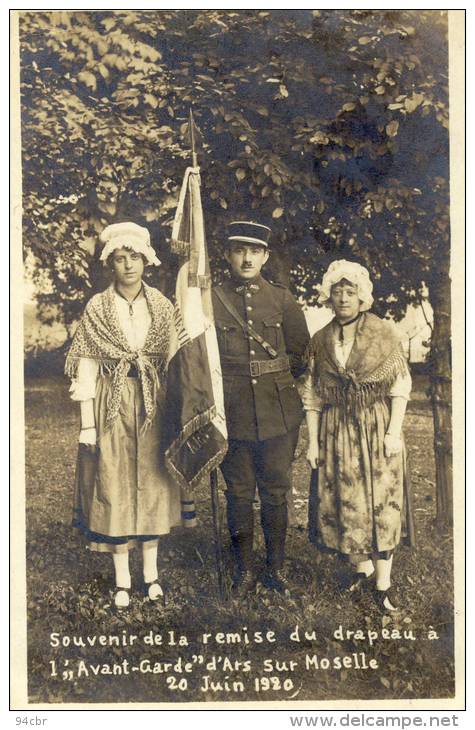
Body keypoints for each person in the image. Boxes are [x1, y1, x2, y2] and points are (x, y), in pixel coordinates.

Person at [65, 222, 182, 610]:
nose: (128, 265)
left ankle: (150, 575)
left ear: (146, 260)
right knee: (113, 480)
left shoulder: (162, 306)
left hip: (153, 404)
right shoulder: (98, 307)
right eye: (120, 258)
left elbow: (174, 360)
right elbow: (86, 363)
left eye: (134, 257)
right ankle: (121, 580)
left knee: (151, 480)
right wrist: (87, 423)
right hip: (111, 402)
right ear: (110, 263)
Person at [303, 260, 414, 611]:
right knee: (346, 501)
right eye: (338, 292)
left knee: (381, 502)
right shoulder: (321, 340)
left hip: (375, 426)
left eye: (350, 292)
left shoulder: (383, 334)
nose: (344, 298)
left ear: (362, 297)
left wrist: (394, 432)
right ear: (329, 297)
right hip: (337, 431)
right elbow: (314, 395)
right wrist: (313, 441)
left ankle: (383, 584)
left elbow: (401, 386)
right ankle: (362, 568)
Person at [212, 220, 310, 598]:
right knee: (237, 491)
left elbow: (300, 353)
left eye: (255, 251)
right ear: (228, 255)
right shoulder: (213, 298)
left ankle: (276, 569)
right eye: (239, 250)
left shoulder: (283, 300)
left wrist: (275, 379)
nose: (247, 257)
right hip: (231, 411)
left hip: (277, 412)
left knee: (275, 491)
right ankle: (243, 570)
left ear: (266, 256)